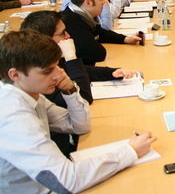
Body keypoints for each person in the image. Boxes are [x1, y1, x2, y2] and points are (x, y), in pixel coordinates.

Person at [0, 29, 156, 193]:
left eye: (56, 67)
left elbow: (79, 126)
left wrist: (69, 88)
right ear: (15, 75)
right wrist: (130, 152)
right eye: (47, 71)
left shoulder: (29, 93)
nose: (57, 75)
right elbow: (66, 181)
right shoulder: (13, 117)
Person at [21, 11, 137, 155]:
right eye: (62, 33)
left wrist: (111, 73)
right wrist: (71, 57)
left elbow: (80, 125)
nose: (68, 36)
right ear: (45, 39)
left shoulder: (44, 67)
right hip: (61, 150)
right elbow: (84, 97)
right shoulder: (38, 83)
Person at [62, 0, 142, 66]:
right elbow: (98, 54)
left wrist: (125, 39)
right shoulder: (72, 22)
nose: (104, 2)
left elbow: (100, 33)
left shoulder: (79, 14)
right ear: (88, 2)